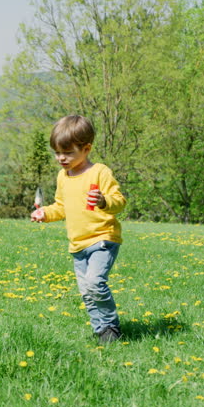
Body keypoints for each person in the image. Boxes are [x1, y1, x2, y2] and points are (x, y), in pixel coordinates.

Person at [30, 115, 126, 343]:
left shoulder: (99, 172)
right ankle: (101, 331)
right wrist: (45, 213)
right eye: (57, 152)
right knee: (87, 293)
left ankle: (111, 327)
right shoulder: (63, 177)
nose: (61, 158)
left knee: (95, 283)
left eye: (67, 152)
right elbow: (61, 207)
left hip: (102, 239)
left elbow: (119, 201)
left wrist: (104, 201)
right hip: (77, 245)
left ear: (86, 148)